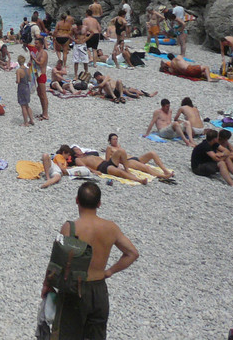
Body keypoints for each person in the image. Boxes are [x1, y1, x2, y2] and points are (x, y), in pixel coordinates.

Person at [44, 181, 138, 339]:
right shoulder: (111, 228)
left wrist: (47, 285)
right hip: (99, 290)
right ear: (99, 203)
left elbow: (57, 261)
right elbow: (132, 253)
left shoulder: (70, 228)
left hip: (75, 289)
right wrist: (109, 271)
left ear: (76, 200)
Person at [104, 133, 174, 180]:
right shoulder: (109, 148)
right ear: (110, 140)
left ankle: (165, 170)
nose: (115, 141)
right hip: (129, 162)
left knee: (152, 153)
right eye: (114, 139)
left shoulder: (118, 146)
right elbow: (107, 161)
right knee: (147, 168)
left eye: (116, 139)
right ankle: (162, 176)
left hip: (133, 158)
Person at [16, 54, 35, 126]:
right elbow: (30, 79)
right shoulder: (27, 69)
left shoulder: (19, 70)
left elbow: (18, 81)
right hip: (27, 87)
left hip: (21, 87)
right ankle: (31, 120)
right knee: (27, 105)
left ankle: (25, 122)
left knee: (23, 105)